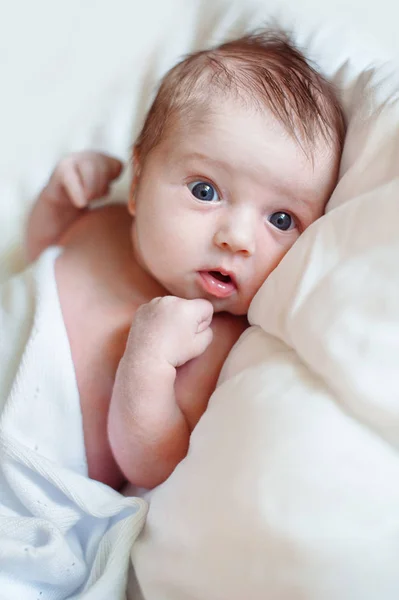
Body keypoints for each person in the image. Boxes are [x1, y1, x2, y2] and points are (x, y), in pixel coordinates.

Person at [25, 30, 345, 491]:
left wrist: (148, 362)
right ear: (137, 185)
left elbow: (153, 467)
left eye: (280, 219)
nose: (237, 238)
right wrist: (58, 201)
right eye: (204, 191)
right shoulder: (104, 223)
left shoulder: (209, 340)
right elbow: (40, 261)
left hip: (30, 476)